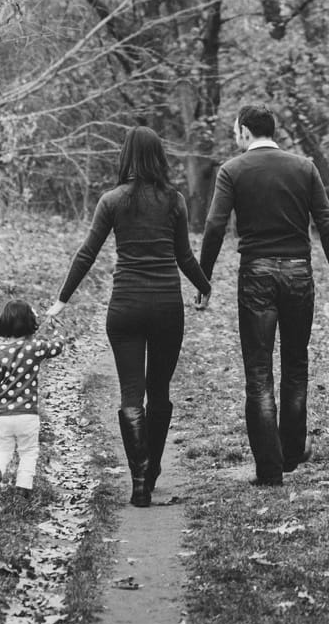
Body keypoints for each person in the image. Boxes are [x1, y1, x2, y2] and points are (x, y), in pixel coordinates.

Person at [46, 125, 212, 506]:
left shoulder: (112, 200)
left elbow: (86, 253)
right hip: (167, 308)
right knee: (160, 393)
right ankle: (151, 471)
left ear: (126, 157)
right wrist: (204, 285)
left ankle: (139, 479)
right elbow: (184, 256)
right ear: (158, 157)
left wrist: (62, 300)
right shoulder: (174, 201)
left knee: (131, 394)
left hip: (125, 307)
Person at [198, 103, 329, 486]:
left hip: (257, 275)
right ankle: (292, 452)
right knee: (296, 365)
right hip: (299, 273)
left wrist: (204, 278)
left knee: (259, 373)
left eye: (235, 132)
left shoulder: (232, 171)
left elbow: (215, 226)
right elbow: (327, 224)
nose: (235, 138)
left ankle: (269, 468)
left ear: (246, 132)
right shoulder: (304, 168)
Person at [0, 299, 68, 503]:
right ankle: (23, 490)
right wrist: (57, 331)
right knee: (29, 452)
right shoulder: (35, 347)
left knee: (1, 450)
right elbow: (56, 347)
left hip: (1, 416)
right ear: (30, 322)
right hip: (27, 414)